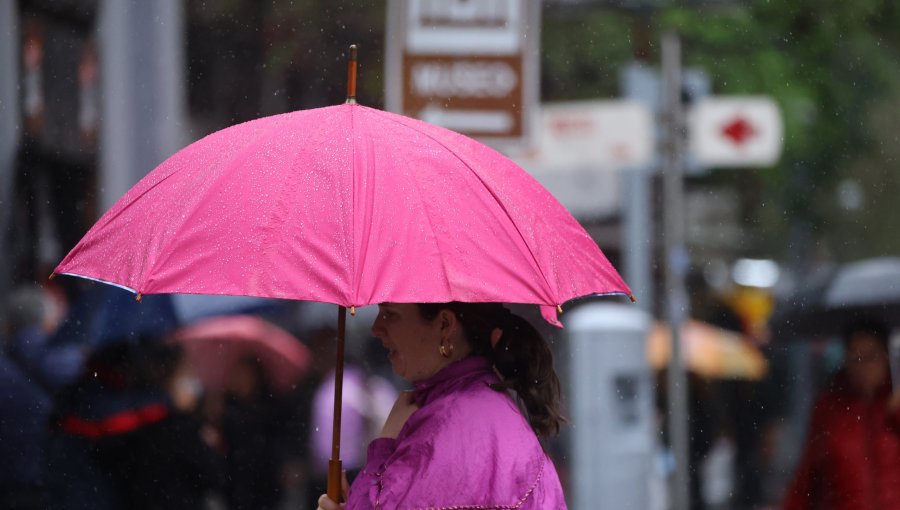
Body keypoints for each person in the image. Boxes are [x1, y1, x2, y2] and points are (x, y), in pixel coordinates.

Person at [317, 302, 568, 509]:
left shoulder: (449, 428)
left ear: (445, 325)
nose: (376, 327)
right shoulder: (485, 408)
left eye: (390, 314)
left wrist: (384, 446)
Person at [783, 319, 900, 509]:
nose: (863, 367)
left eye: (871, 356)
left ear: (885, 356)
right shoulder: (830, 409)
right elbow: (808, 476)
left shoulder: (895, 401)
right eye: (856, 358)